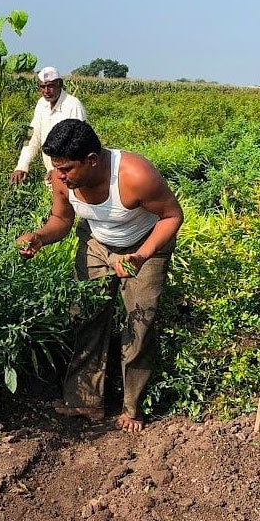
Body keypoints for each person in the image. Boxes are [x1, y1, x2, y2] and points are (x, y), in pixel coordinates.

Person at [16, 119, 183, 433]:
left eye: (66, 169)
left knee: (139, 322)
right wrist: (39, 236)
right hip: (96, 242)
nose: (59, 176)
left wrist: (141, 255)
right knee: (87, 315)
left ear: (91, 160)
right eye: (56, 168)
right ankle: (84, 399)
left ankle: (132, 408)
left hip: (144, 245)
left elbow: (172, 216)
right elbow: (61, 220)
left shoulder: (134, 175)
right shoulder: (61, 179)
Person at [10, 66, 87, 186]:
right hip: (52, 174)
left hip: (70, 175)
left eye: (50, 86)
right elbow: (31, 135)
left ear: (60, 84)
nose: (46, 91)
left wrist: (59, 169)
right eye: (42, 86)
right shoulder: (41, 104)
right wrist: (22, 165)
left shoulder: (73, 106)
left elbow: (78, 144)